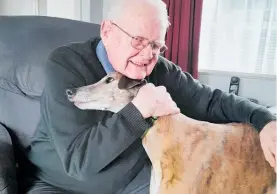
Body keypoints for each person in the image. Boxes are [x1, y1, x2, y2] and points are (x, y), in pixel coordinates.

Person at [23, 0, 276, 193]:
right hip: (60, 186)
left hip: (134, 182)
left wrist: (264, 119)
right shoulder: (66, 65)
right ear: (107, 31)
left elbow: (213, 101)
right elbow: (79, 161)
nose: (147, 55)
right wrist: (139, 110)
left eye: (156, 45)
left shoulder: (159, 70)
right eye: (138, 40)